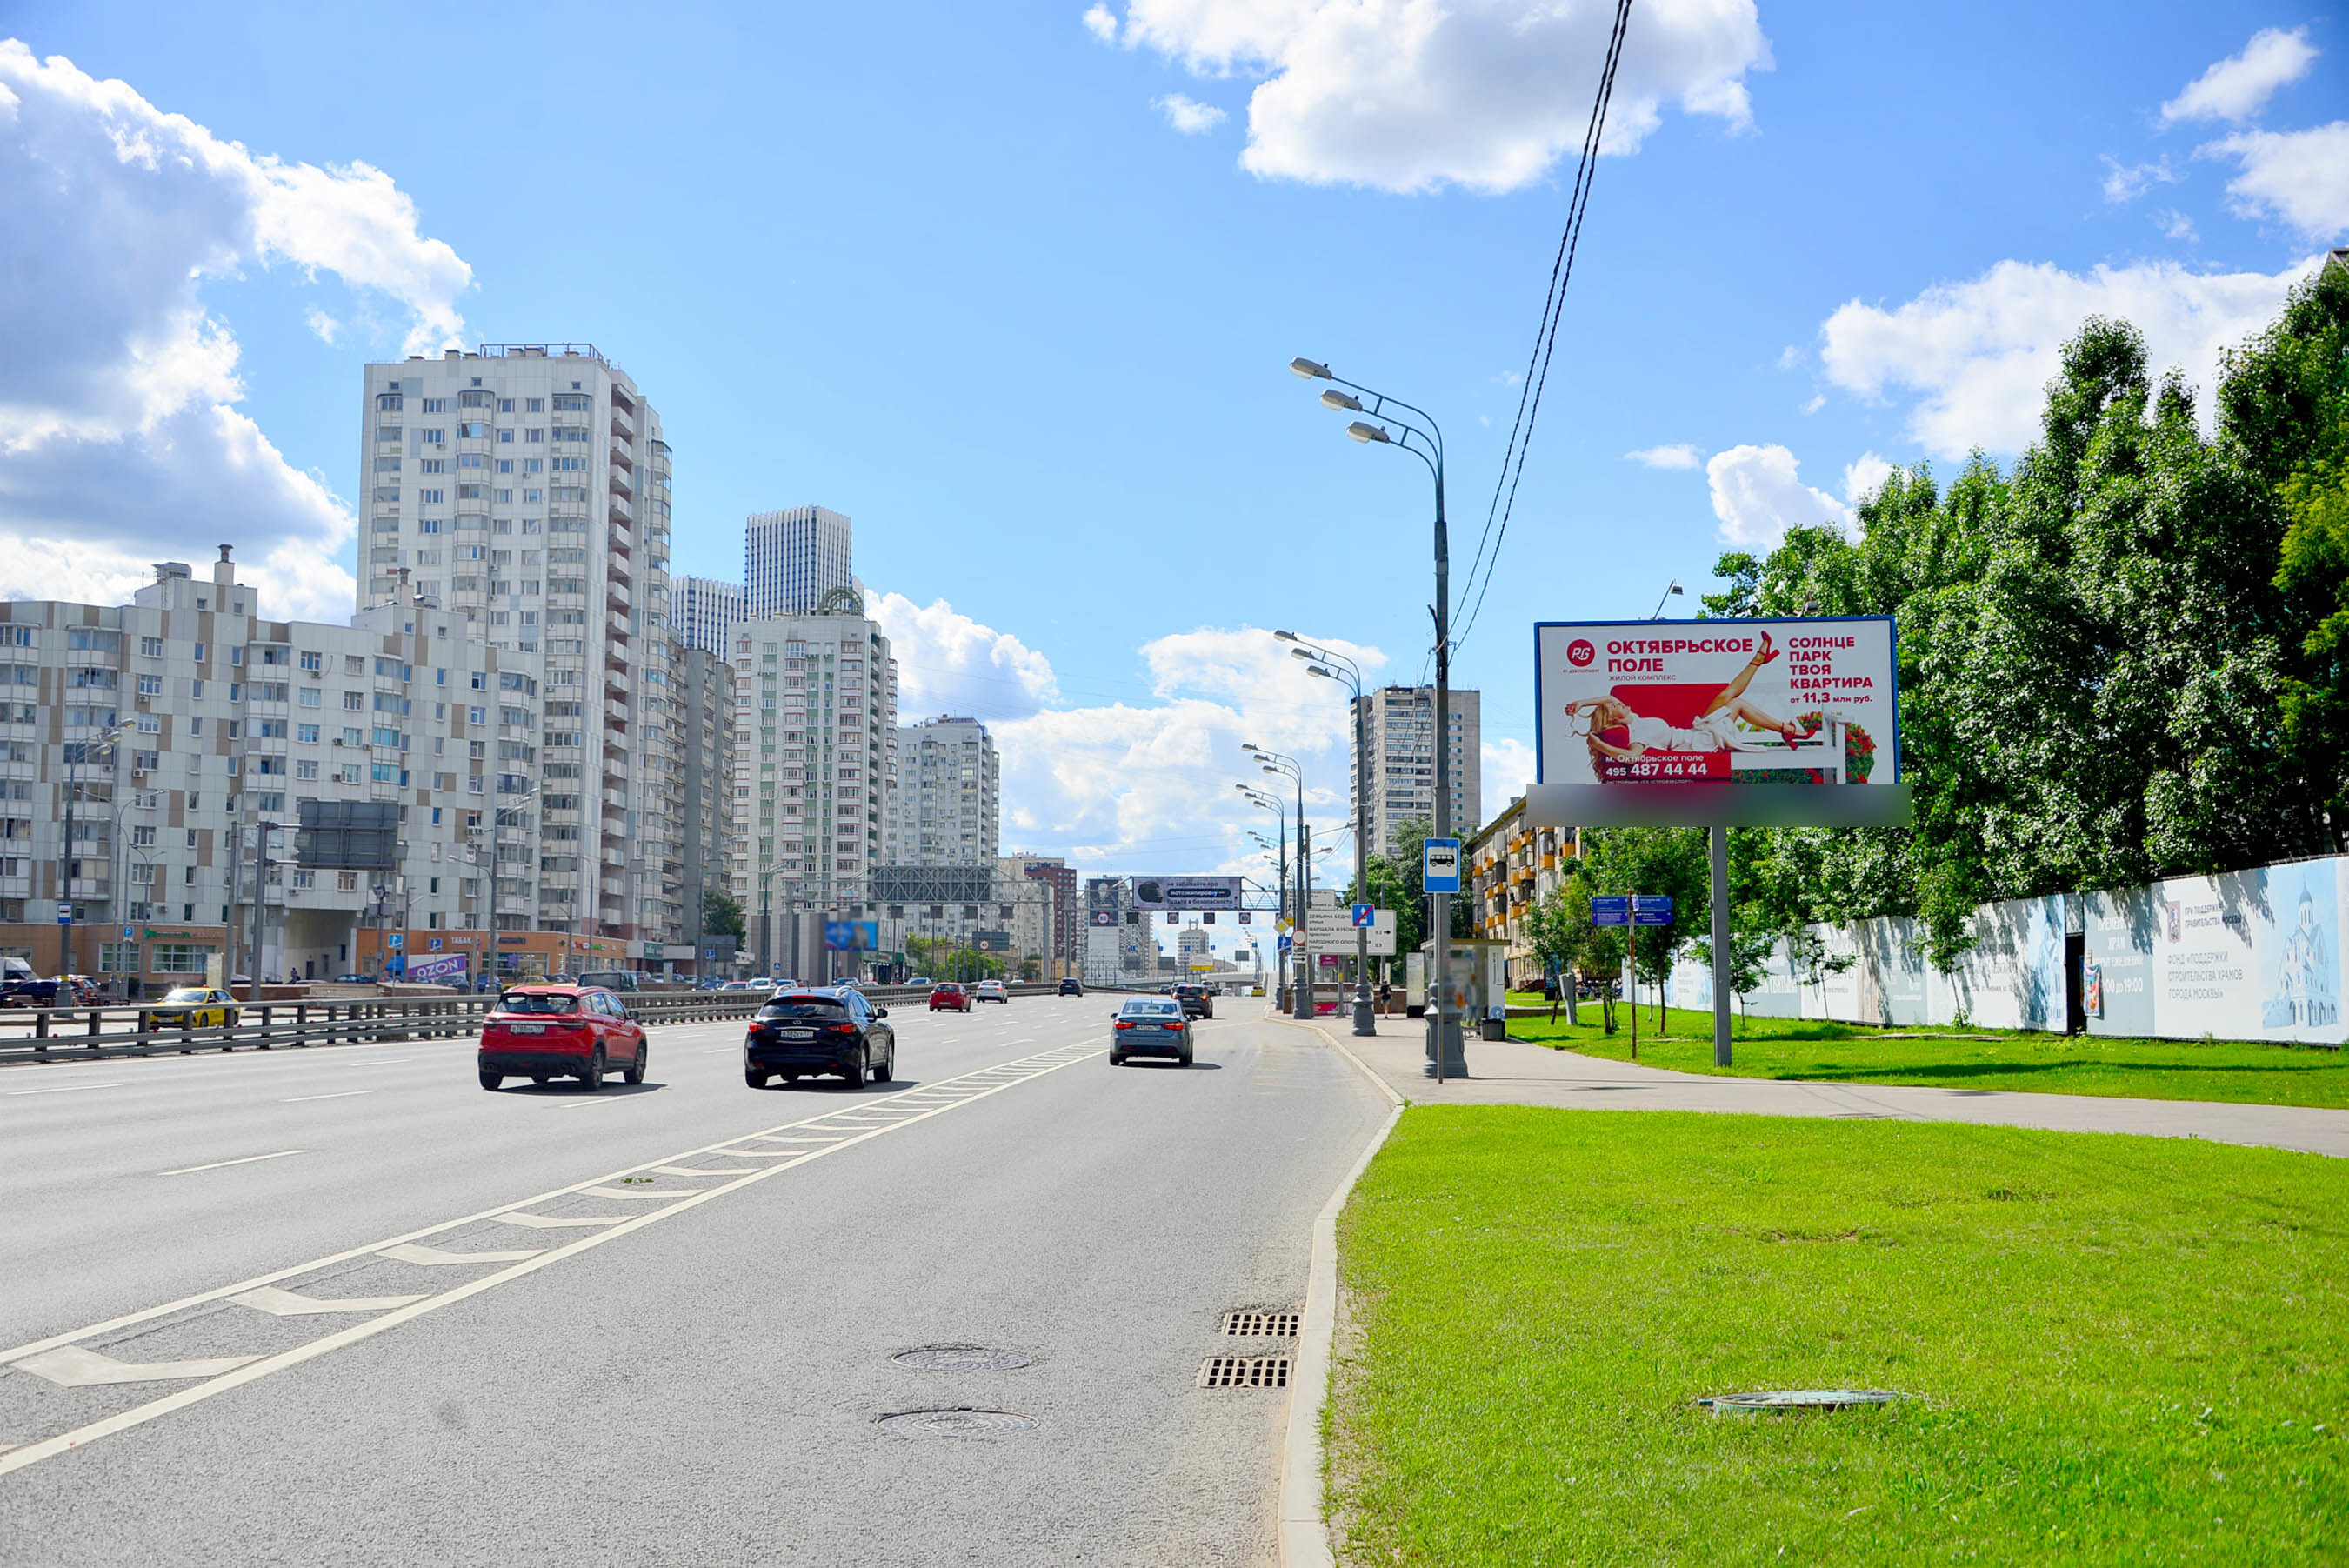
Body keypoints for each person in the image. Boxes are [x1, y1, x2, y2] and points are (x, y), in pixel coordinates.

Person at [1569, 629, 1806, 766]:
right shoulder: (1637, 735)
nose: (1617, 702)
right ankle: (1788, 728)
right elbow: (1631, 758)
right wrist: (1600, 745)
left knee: (1727, 696)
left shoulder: (1636, 720)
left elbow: (1607, 698)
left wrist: (1582, 703)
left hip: (1699, 730)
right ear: (1615, 721)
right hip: (1704, 743)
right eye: (1615, 707)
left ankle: (1759, 661)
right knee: (1737, 702)